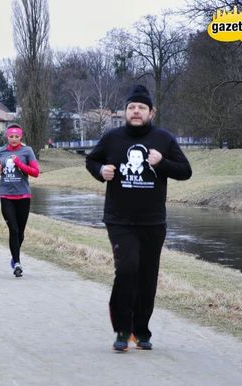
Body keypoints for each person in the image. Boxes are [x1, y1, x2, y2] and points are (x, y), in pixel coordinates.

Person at [85, 84, 192, 352]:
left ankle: (141, 330)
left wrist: (162, 163)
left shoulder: (163, 139)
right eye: (131, 107)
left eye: (141, 108)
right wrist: (101, 171)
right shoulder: (112, 138)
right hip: (119, 219)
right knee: (126, 269)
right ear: (124, 112)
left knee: (147, 277)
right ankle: (122, 330)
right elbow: (91, 160)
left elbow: (185, 171)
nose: (136, 111)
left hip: (153, 221)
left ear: (151, 113)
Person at [0, 124, 40, 277]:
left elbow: (35, 172)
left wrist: (19, 164)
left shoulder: (27, 151)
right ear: (7, 137)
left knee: (20, 233)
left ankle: (15, 256)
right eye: (11, 136)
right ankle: (17, 262)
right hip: (6, 195)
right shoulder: (1, 151)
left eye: (17, 136)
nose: (14, 139)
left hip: (23, 196)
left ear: (21, 137)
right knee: (13, 230)